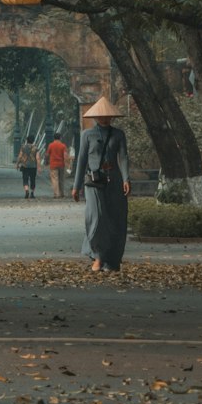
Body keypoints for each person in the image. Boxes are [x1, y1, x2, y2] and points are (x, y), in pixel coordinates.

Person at [71, 97, 131, 274]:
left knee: (115, 220)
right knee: (96, 218)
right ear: (95, 117)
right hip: (93, 182)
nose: (104, 118)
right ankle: (97, 256)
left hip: (114, 181)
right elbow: (81, 161)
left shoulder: (119, 134)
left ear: (111, 117)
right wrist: (76, 186)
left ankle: (112, 260)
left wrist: (127, 179)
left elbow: (124, 157)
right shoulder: (87, 135)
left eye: (107, 116)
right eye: (101, 116)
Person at [46, 134, 69, 198]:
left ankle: (56, 194)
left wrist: (47, 161)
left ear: (54, 138)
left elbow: (47, 154)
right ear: (60, 138)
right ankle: (62, 193)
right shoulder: (63, 146)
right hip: (61, 164)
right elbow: (65, 156)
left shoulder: (51, 145)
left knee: (55, 179)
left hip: (53, 164)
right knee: (61, 179)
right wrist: (67, 164)